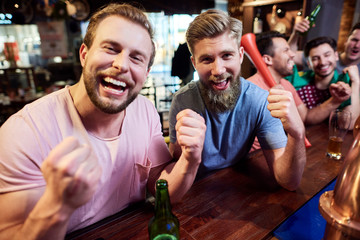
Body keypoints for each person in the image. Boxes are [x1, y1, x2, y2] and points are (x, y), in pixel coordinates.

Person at [0, 3, 206, 239]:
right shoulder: (24, 131)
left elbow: (161, 189)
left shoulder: (145, 110)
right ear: (84, 54)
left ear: (146, 74)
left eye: (137, 58)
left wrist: (191, 158)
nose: (121, 65)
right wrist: (56, 206)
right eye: (110, 48)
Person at [169, 9, 306, 191]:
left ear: (240, 55)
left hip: (238, 186)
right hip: (194, 187)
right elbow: (176, 162)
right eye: (207, 59)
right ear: (194, 63)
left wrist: (297, 134)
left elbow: (288, 181)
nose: (218, 69)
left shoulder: (259, 100)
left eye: (226, 55)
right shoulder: (183, 100)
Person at [286, 36, 360, 129]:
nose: (323, 62)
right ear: (308, 63)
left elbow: (347, 125)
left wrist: (356, 82)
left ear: (336, 56)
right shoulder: (297, 82)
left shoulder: (345, 85)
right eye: (315, 58)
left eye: (327, 55)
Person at [289, 20, 360, 74]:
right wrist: (295, 34)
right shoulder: (324, 57)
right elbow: (288, 57)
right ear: (346, 40)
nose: (357, 45)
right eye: (354, 40)